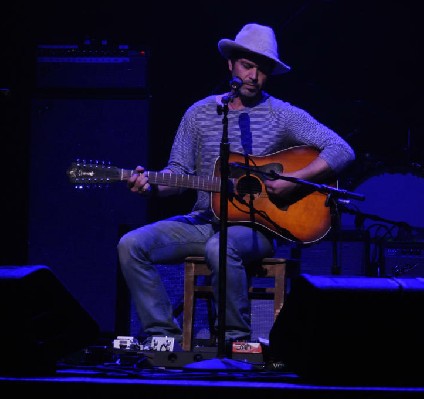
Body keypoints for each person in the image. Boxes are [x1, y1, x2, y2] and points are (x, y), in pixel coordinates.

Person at [117, 23, 355, 348]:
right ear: (230, 64)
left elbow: (342, 150)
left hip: (258, 229)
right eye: (247, 65)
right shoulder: (199, 114)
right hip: (203, 222)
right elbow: (178, 173)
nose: (254, 77)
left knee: (222, 245)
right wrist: (153, 186)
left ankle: (235, 343)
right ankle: (165, 341)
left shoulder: (282, 115)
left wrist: (295, 183)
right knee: (131, 245)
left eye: (262, 69)